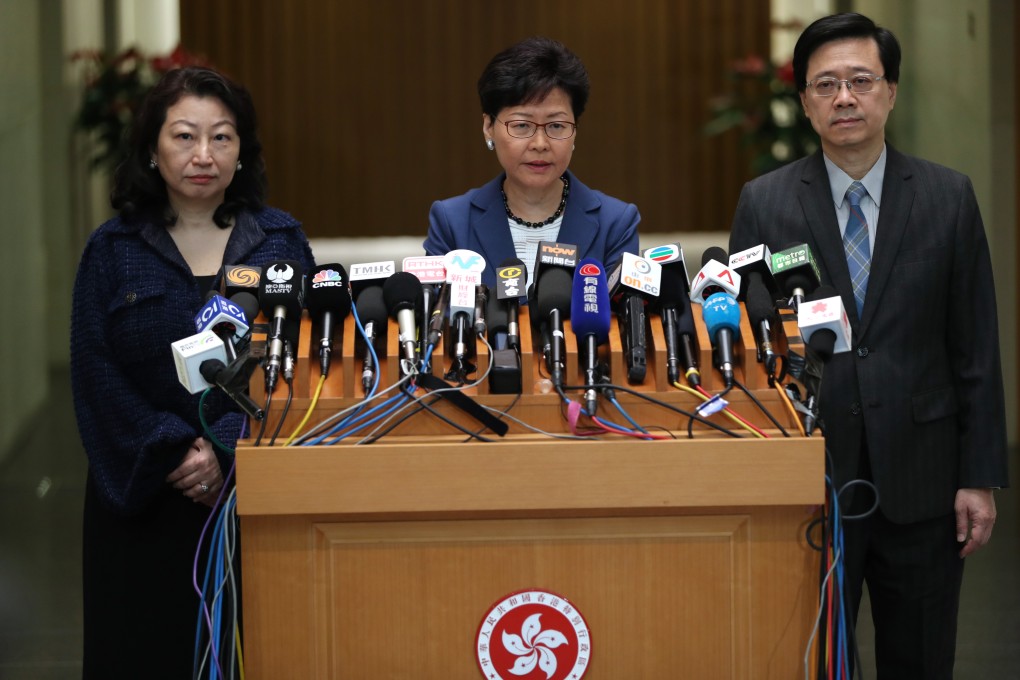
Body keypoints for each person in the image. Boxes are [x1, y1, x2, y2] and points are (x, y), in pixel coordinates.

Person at [728, 13, 1008, 678]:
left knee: (921, 656)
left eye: (860, 80)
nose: (844, 98)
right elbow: (747, 344)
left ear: (890, 91)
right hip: (810, 480)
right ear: (803, 103)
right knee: (816, 657)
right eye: (825, 85)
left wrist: (979, 476)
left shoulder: (948, 197)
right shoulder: (765, 203)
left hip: (925, 479)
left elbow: (975, 346)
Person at [70, 66, 315, 679]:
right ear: (153, 148)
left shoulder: (280, 242)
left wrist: (227, 447)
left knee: (259, 651)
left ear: (242, 151)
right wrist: (178, 451)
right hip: (144, 495)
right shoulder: (112, 249)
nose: (203, 155)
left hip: (252, 498)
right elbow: (95, 372)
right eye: (184, 136)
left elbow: (305, 365)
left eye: (222, 137)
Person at [423, 36, 640, 290]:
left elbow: (625, 323)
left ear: (575, 131)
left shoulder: (615, 223)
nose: (540, 143)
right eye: (522, 125)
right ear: (488, 127)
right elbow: (437, 319)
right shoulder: (452, 222)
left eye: (556, 126)